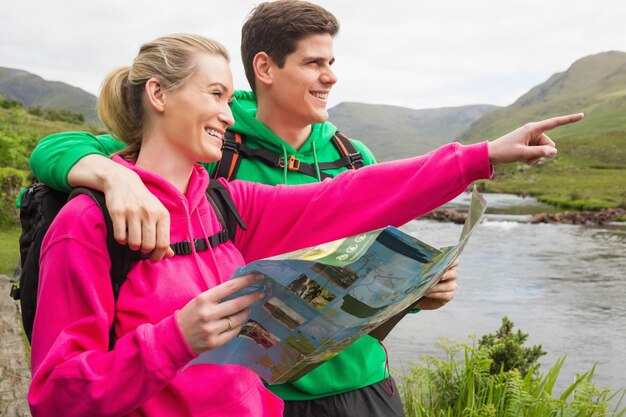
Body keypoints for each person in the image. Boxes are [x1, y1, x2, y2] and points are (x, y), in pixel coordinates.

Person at [26, 3, 581, 417]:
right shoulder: (89, 222)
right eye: (216, 95)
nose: (228, 111)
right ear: (159, 95)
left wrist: (481, 156)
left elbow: (349, 197)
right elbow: (55, 396)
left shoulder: (224, 201)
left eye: (227, 96)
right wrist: (177, 337)